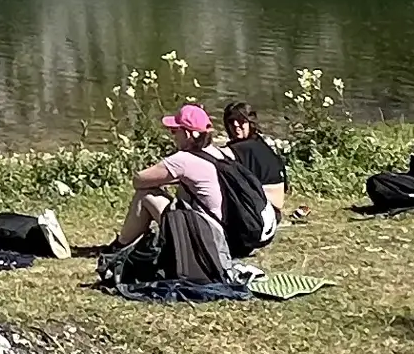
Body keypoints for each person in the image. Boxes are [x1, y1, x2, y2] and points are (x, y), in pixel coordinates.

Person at [120, 104, 232, 285]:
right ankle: (127, 244)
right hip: (222, 233)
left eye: (174, 131)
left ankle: (120, 245)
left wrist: (164, 180)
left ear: (187, 134)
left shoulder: (183, 160)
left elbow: (138, 180)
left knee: (146, 194)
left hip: (202, 234)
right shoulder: (218, 153)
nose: (172, 136)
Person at [218, 101, 291, 238]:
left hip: (260, 218)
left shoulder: (246, 148)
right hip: (271, 214)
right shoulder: (260, 142)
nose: (235, 125)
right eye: (231, 121)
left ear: (250, 122)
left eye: (240, 121)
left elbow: (211, 156)